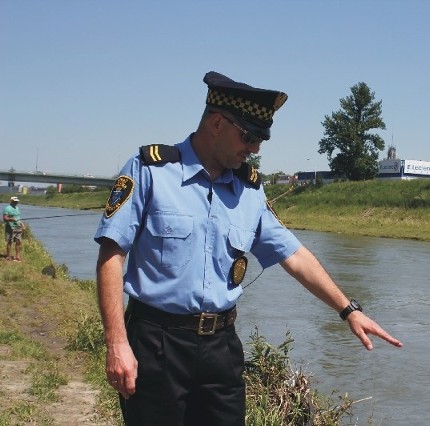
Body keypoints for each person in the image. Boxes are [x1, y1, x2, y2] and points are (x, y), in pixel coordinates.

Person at [94, 70, 403, 426]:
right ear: (216, 123)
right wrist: (117, 343)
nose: (255, 148)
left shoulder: (250, 191)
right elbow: (111, 258)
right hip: (156, 345)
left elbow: (295, 255)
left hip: (220, 349)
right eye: (249, 136)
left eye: (260, 139)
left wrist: (348, 310)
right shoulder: (151, 170)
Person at [3, 196, 23, 262]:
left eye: (17, 201)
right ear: (11, 201)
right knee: (10, 241)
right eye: (14, 201)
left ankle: (17, 256)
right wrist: (11, 219)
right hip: (10, 227)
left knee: (18, 242)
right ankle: (8, 256)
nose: (16, 202)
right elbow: (4, 218)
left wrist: (22, 225)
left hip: (18, 227)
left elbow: (18, 218)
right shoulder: (7, 208)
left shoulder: (17, 208)